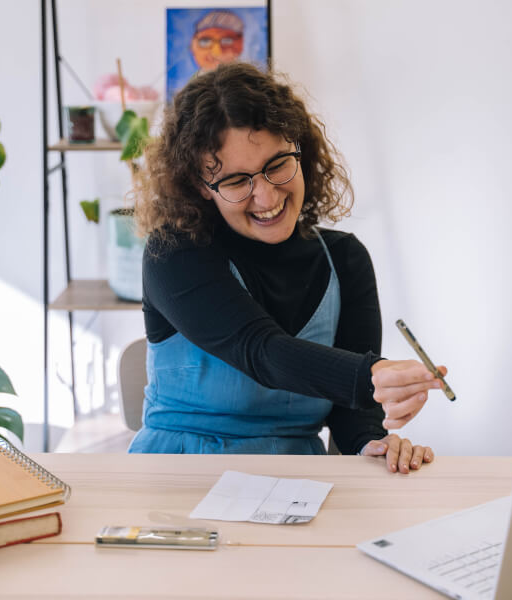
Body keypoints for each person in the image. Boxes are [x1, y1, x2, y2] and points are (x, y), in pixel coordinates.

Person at [130, 62, 447, 474]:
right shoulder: (173, 253)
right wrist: (371, 375)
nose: (265, 196)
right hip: (177, 478)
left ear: (300, 150)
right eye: (237, 180)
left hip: (298, 485)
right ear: (200, 187)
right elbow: (259, 351)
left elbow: (353, 417)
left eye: (277, 164)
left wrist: (374, 443)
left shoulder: (346, 261)